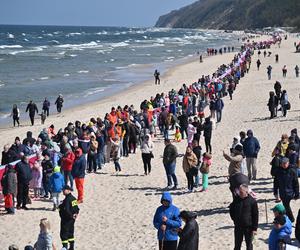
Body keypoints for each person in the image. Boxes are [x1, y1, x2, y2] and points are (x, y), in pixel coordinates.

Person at [229, 184, 258, 250]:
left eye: (241, 192)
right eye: (239, 192)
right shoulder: (236, 199)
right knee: (237, 245)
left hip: (249, 227)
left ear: (246, 192)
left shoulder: (252, 201)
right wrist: (234, 220)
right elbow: (231, 210)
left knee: (249, 245)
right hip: (238, 226)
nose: (240, 193)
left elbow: (255, 215)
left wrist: (255, 228)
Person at [275, 157, 299, 222]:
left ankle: (291, 219)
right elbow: (276, 183)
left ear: (288, 163)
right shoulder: (278, 171)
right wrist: (275, 192)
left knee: (286, 205)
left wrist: (297, 194)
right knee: (285, 206)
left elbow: (296, 183)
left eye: (285, 163)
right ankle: (288, 218)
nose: (284, 165)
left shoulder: (292, 171)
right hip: (282, 192)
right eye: (283, 163)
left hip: (290, 192)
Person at [59, 185, 79, 250]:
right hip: (72, 220)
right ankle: (71, 247)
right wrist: (75, 214)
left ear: (69, 190)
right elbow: (77, 208)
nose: (63, 191)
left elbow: (67, 210)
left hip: (66, 220)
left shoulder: (67, 199)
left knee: (63, 234)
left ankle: (65, 247)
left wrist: (60, 207)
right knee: (70, 233)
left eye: (64, 190)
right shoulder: (73, 198)